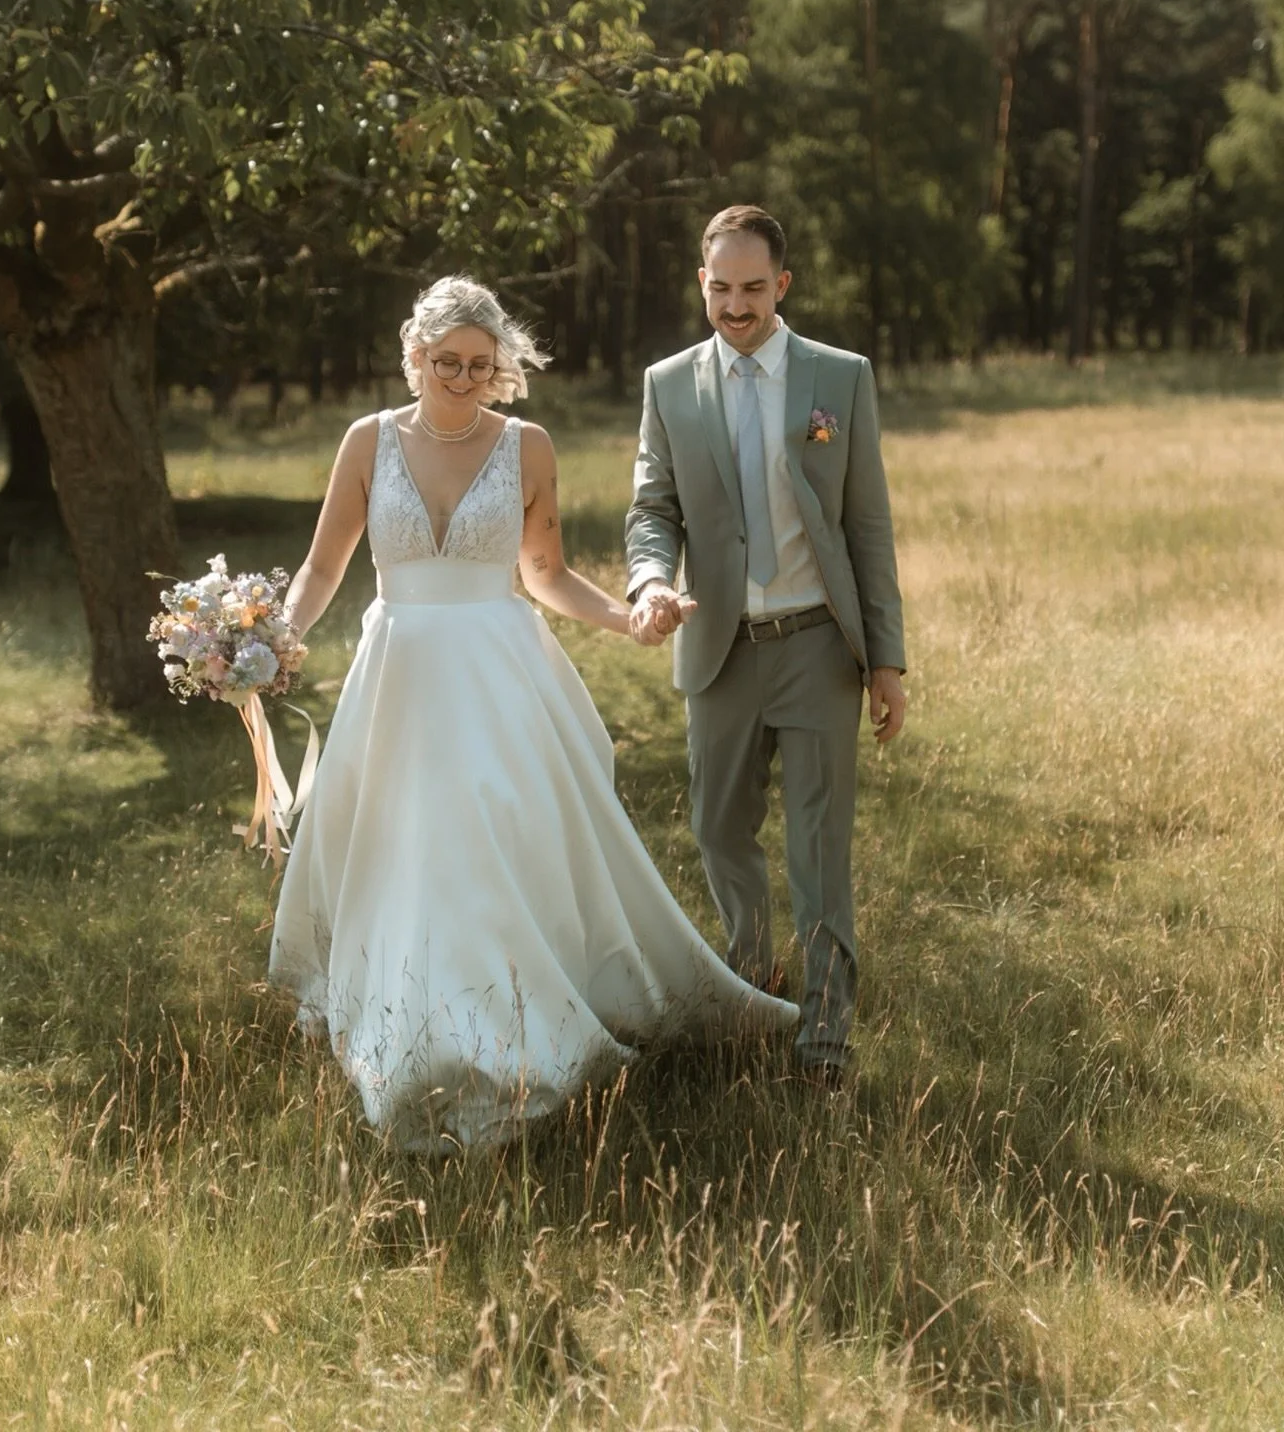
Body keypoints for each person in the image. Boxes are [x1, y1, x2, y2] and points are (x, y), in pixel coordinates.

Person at [269, 276, 796, 1150]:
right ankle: (404, 1017)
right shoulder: (367, 443)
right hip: (397, 670)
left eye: (483, 367)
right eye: (448, 365)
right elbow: (324, 567)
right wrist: (278, 638)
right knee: (398, 843)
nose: (465, 382)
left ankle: (500, 1025)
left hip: (494, 672)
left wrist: (628, 616)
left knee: (481, 838)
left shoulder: (528, 447)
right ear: (413, 357)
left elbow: (544, 573)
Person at [625, 205, 907, 1088]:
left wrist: (887, 662)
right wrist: (649, 582)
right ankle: (754, 991)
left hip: (820, 645)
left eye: (753, 288)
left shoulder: (840, 377)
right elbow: (651, 509)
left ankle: (823, 1041)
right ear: (700, 284)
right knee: (717, 831)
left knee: (819, 848)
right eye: (720, 287)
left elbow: (868, 527)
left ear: (782, 285)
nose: (736, 305)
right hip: (718, 647)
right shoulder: (668, 385)